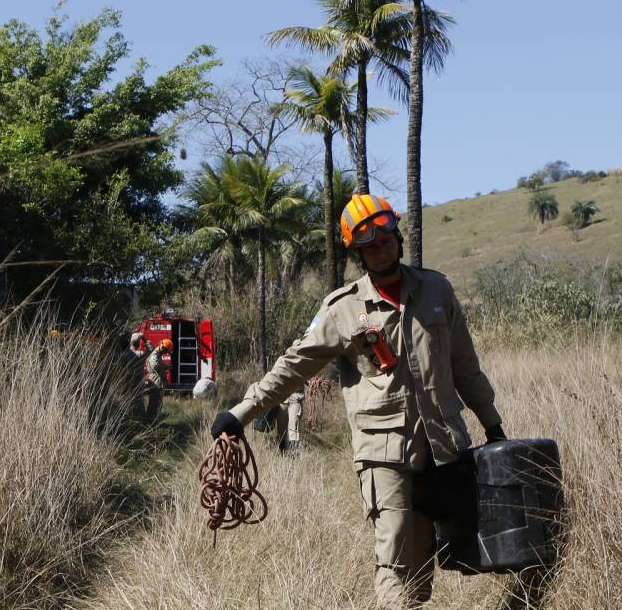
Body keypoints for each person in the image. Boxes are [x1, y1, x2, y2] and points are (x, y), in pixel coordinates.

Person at [209, 193, 507, 609]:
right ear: (357, 253)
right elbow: (294, 365)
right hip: (383, 452)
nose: (380, 249)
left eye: (386, 240)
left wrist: (492, 425)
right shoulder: (342, 309)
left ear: (398, 239)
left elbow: (465, 366)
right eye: (369, 245)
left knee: (422, 560)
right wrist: (241, 414)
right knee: (395, 544)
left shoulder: (436, 290)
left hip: (441, 446)